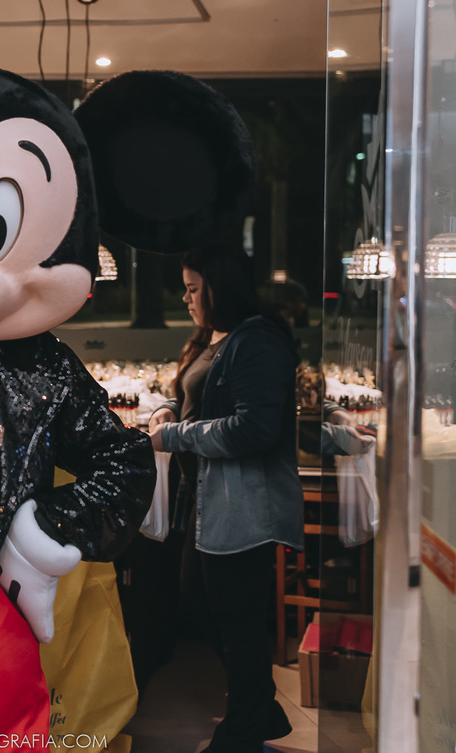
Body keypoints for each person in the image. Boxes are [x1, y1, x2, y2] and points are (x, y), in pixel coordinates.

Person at [147, 243, 303, 753]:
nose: (186, 298)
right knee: (201, 604)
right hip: (207, 498)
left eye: (193, 288)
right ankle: (258, 710)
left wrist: (175, 436)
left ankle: (242, 729)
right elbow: (197, 397)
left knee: (236, 620)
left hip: (243, 506)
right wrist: (170, 408)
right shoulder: (213, 337)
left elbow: (253, 428)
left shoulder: (257, 340)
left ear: (219, 287)